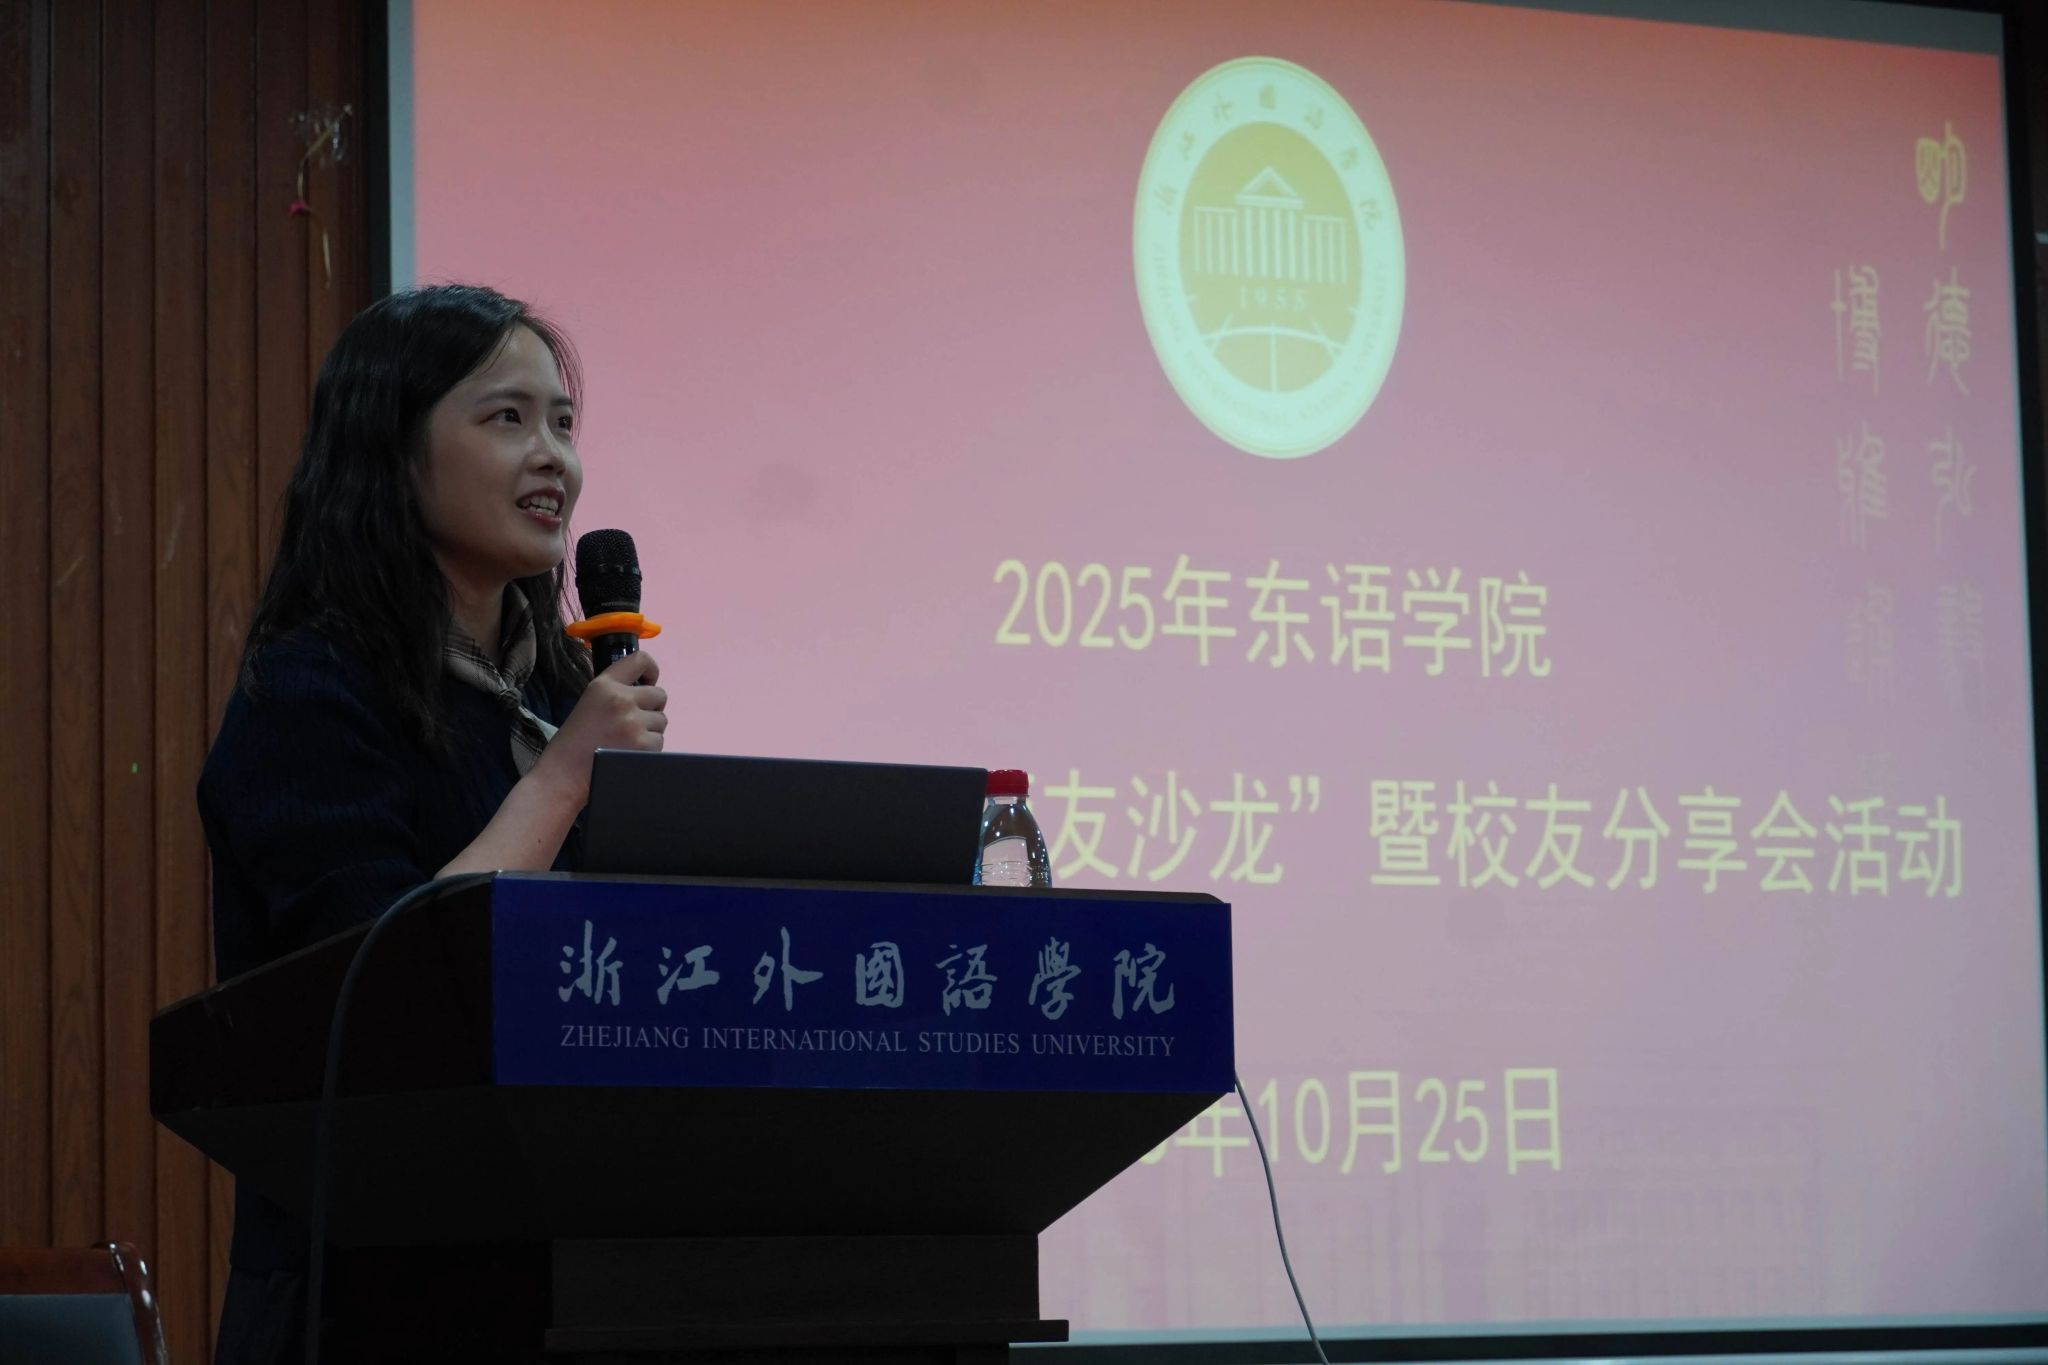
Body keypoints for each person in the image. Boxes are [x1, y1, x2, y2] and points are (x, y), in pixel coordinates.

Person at [198, 284, 668, 1364]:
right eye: (507, 418)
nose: (553, 458)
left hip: (572, 1270)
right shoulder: (308, 690)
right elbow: (379, 981)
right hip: (366, 1293)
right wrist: (562, 780)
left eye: (562, 423)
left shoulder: (559, 691)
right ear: (392, 452)